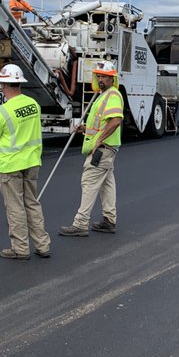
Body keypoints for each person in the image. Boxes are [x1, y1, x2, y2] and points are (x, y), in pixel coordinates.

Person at [0, 64, 51, 260]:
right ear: (19, 83)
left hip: (11, 165)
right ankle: (42, 245)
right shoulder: (33, 105)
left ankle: (20, 248)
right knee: (32, 204)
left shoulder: (3, 112)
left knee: (15, 207)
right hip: (32, 162)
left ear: (3, 84)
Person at [59, 60, 124, 237]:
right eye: (99, 76)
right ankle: (109, 220)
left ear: (112, 79)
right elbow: (100, 123)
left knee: (89, 181)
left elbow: (116, 120)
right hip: (106, 147)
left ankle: (80, 223)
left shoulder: (113, 95)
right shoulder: (103, 96)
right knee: (106, 183)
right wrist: (85, 129)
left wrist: (98, 140)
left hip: (102, 148)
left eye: (105, 76)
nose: (101, 79)